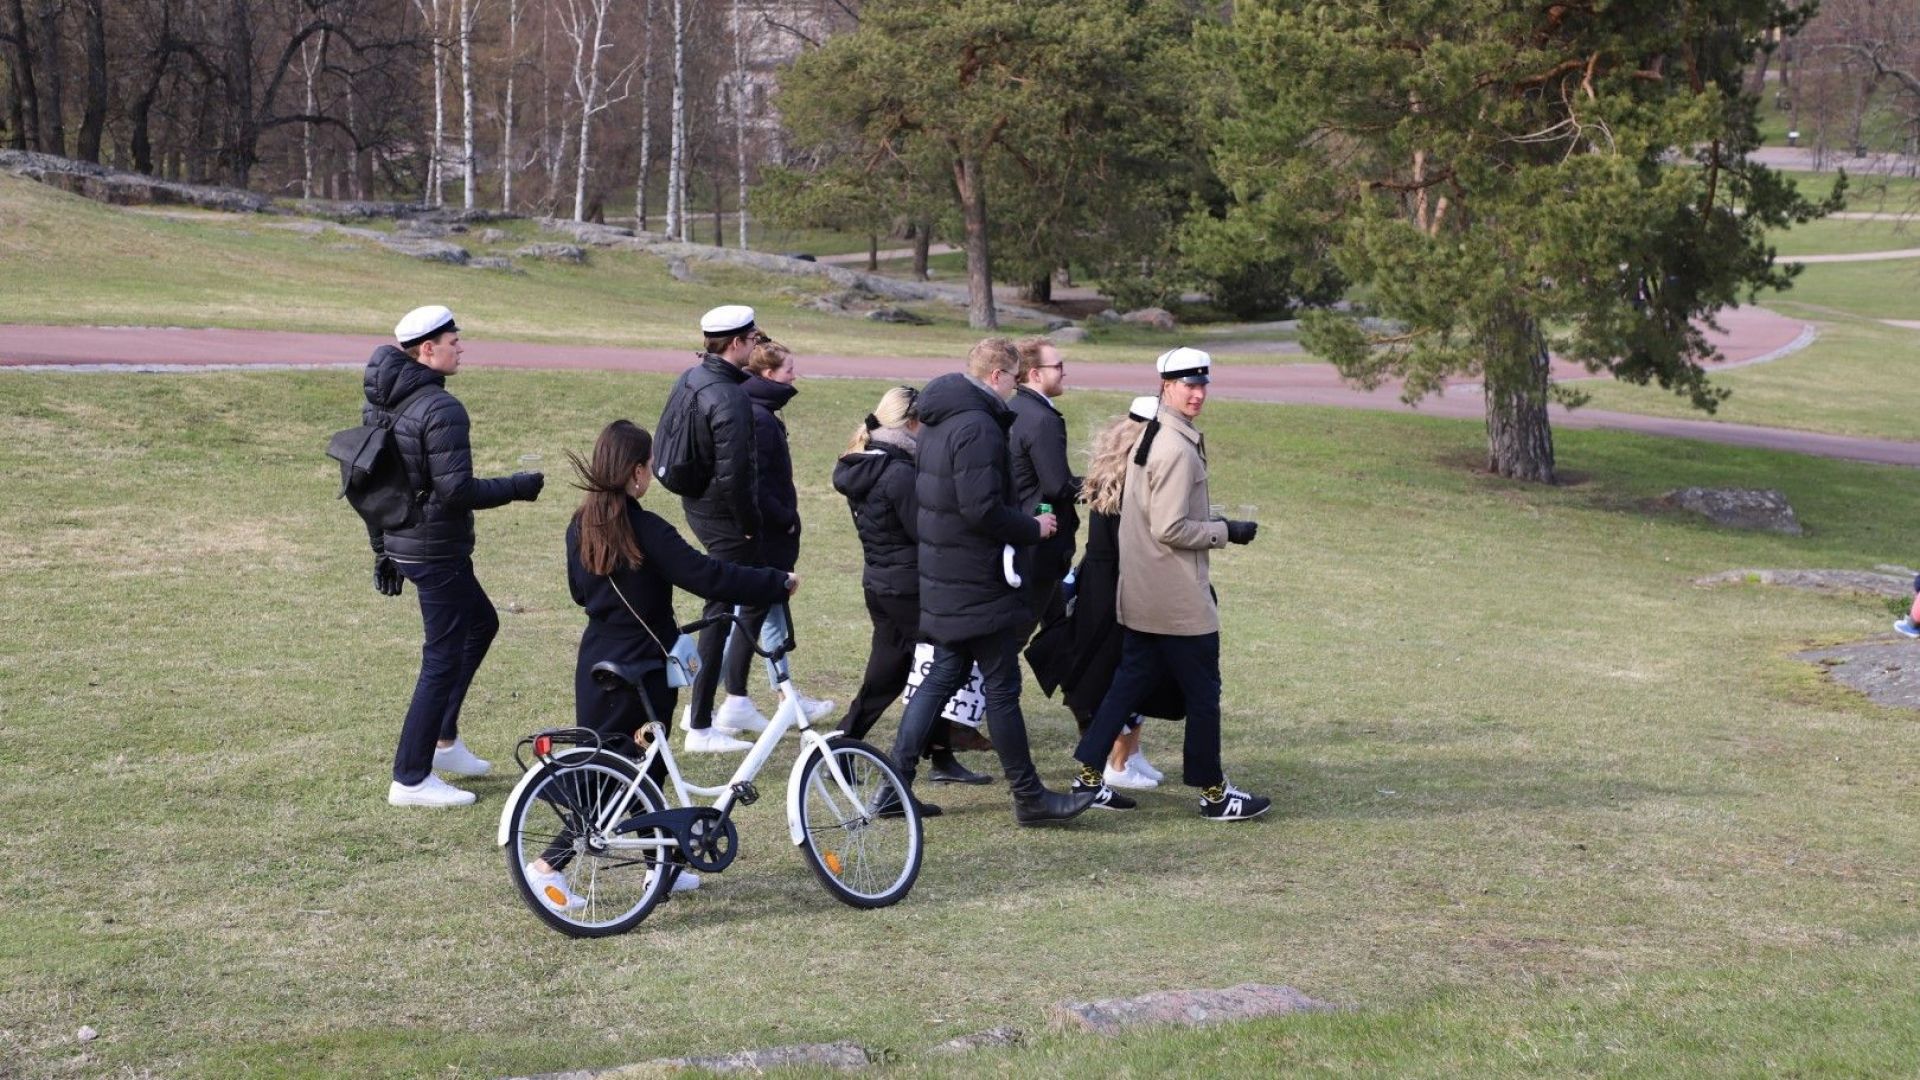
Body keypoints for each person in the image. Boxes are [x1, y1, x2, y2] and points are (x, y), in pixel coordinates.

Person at [523, 419, 799, 910]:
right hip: (643, 667)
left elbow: (577, 591)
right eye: (647, 465)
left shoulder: (580, 524)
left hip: (599, 659)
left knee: (641, 768)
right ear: (634, 471)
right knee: (617, 780)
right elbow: (708, 576)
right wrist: (774, 583)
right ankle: (547, 868)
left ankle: (661, 868)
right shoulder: (645, 527)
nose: (650, 474)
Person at [888, 338, 1096, 825]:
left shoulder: (940, 418)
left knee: (942, 676)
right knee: (1002, 687)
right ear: (1000, 376)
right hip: (977, 577)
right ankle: (1029, 797)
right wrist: (1033, 527)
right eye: (1014, 378)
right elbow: (980, 508)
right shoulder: (978, 425)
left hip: (948, 573)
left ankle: (892, 788)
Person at [1067, 347, 1272, 821]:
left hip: (1144, 591)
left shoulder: (1155, 432)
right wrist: (1227, 531)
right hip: (1175, 597)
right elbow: (1171, 528)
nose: (1197, 393)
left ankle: (1089, 778)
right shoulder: (1174, 445)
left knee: (1126, 687)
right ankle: (1215, 793)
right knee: (1203, 694)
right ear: (1166, 386)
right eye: (1188, 384)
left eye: (1202, 384)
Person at [363, 304, 544, 808]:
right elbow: (456, 491)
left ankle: (444, 741)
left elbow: (372, 482)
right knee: (441, 657)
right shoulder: (441, 409)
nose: (460, 347)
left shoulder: (385, 400)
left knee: (482, 623)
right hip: (433, 548)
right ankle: (410, 778)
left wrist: (383, 548)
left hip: (412, 542)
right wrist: (519, 486)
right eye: (453, 340)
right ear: (428, 350)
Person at [831, 386, 993, 786]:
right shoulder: (899, 473)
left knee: (893, 672)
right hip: (908, 588)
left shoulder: (868, 464)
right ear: (912, 424)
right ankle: (914, 757)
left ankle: (853, 749)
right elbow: (926, 533)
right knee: (944, 668)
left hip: (883, 585)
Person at [1058, 402, 1184, 792]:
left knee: (1134, 667)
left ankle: (1129, 754)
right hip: (1121, 579)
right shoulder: (1136, 471)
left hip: (1102, 578)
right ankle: (1116, 760)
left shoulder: (1109, 467)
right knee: (1128, 668)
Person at [657, 304, 764, 753]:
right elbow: (735, 475)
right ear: (736, 343)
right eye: (754, 338)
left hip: (697, 502)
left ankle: (710, 711)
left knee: (725, 605)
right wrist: (749, 527)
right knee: (720, 611)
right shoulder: (730, 397)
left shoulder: (693, 376)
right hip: (721, 515)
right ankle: (700, 722)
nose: (759, 344)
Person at [713, 340, 834, 732]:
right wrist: (786, 519)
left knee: (758, 616)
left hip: (765, 533)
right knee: (760, 617)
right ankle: (759, 697)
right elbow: (758, 483)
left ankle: (758, 697)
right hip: (767, 536)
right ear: (768, 375)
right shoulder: (760, 418)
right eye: (788, 370)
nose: (794, 376)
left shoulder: (759, 411)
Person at [1008, 337, 1081, 636]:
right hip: (1040, 541)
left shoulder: (1015, 408)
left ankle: (1079, 684)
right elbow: (1057, 485)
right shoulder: (1042, 420)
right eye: (1058, 366)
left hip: (1021, 533)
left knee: (1060, 626)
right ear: (1035, 374)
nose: (1064, 372)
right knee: (1015, 636)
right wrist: (1106, 485)